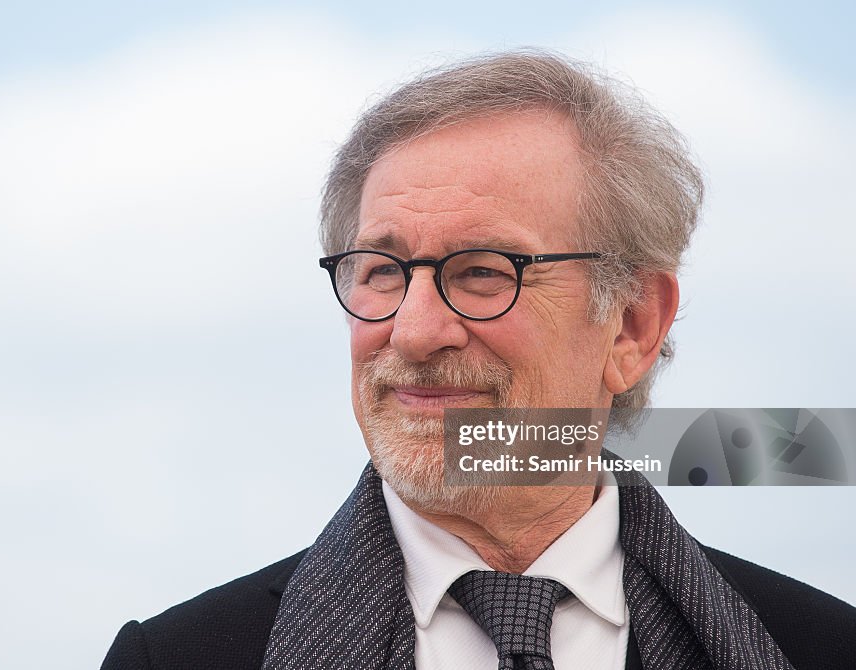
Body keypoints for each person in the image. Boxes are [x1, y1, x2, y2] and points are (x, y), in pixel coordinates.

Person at [100, 50, 856, 670]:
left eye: (484, 272)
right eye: (382, 271)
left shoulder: (822, 647)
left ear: (631, 325)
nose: (414, 332)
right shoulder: (173, 659)